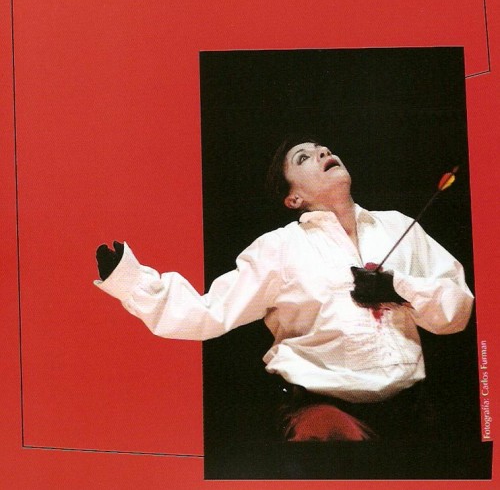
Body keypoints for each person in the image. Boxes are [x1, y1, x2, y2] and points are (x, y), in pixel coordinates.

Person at [95, 137, 474, 442]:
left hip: (411, 412)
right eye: (303, 157)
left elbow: (456, 313)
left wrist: (398, 286)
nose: (323, 152)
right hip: (324, 417)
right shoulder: (278, 248)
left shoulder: (400, 226)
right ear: (294, 199)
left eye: (323, 149)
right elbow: (209, 312)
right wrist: (132, 281)